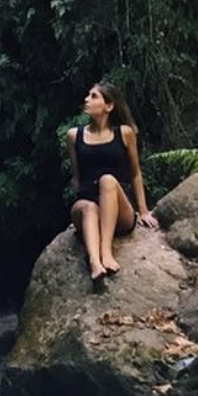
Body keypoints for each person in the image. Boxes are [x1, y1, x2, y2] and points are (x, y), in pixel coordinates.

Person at [66, 81, 157, 288]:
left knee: (108, 180)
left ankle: (106, 252)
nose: (87, 100)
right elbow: (76, 177)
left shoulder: (124, 133)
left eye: (94, 96)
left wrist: (143, 211)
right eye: (88, 95)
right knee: (88, 206)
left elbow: (135, 173)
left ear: (109, 106)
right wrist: (77, 212)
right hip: (87, 205)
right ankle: (95, 263)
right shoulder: (74, 136)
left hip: (117, 209)